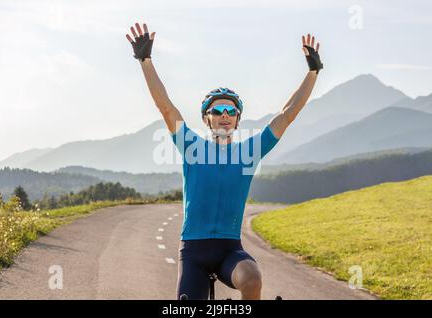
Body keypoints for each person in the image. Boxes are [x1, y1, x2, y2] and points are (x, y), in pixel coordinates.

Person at [126, 22, 323, 300]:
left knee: (252, 279)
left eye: (231, 110)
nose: (224, 115)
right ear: (207, 119)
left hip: (229, 250)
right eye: (217, 110)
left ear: (238, 119)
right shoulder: (192, 147)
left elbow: (287, 114)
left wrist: (313, 72)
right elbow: (166, 107)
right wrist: (145, 60)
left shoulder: (249, 152)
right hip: (193, 251)